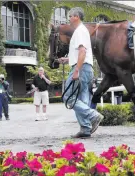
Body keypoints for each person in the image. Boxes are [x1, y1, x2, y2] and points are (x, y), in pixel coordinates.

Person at [58, 7, 104, 138]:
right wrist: (68, 59)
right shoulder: (81, 31)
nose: (69, 18)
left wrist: (76, 69)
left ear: (76, 16)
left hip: (81, 68)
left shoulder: (79, 31)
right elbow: (81, 52)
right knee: (82, 100)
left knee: (68, 96)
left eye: (70, 16)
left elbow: (82, 52)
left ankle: (92, 115)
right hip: (85, 67)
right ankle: (85, 129)